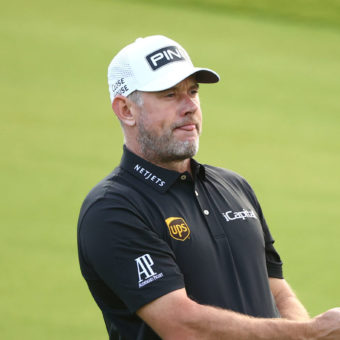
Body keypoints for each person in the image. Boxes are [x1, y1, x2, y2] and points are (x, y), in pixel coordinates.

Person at [77, 35, 340, 340]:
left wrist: (303, 335)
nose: (189, 106)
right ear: (126, 110)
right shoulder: (113, 209)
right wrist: (310, 333)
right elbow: (181, 325)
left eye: (193, 91)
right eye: (169, 94)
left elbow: (277, 292)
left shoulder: (234, 185)